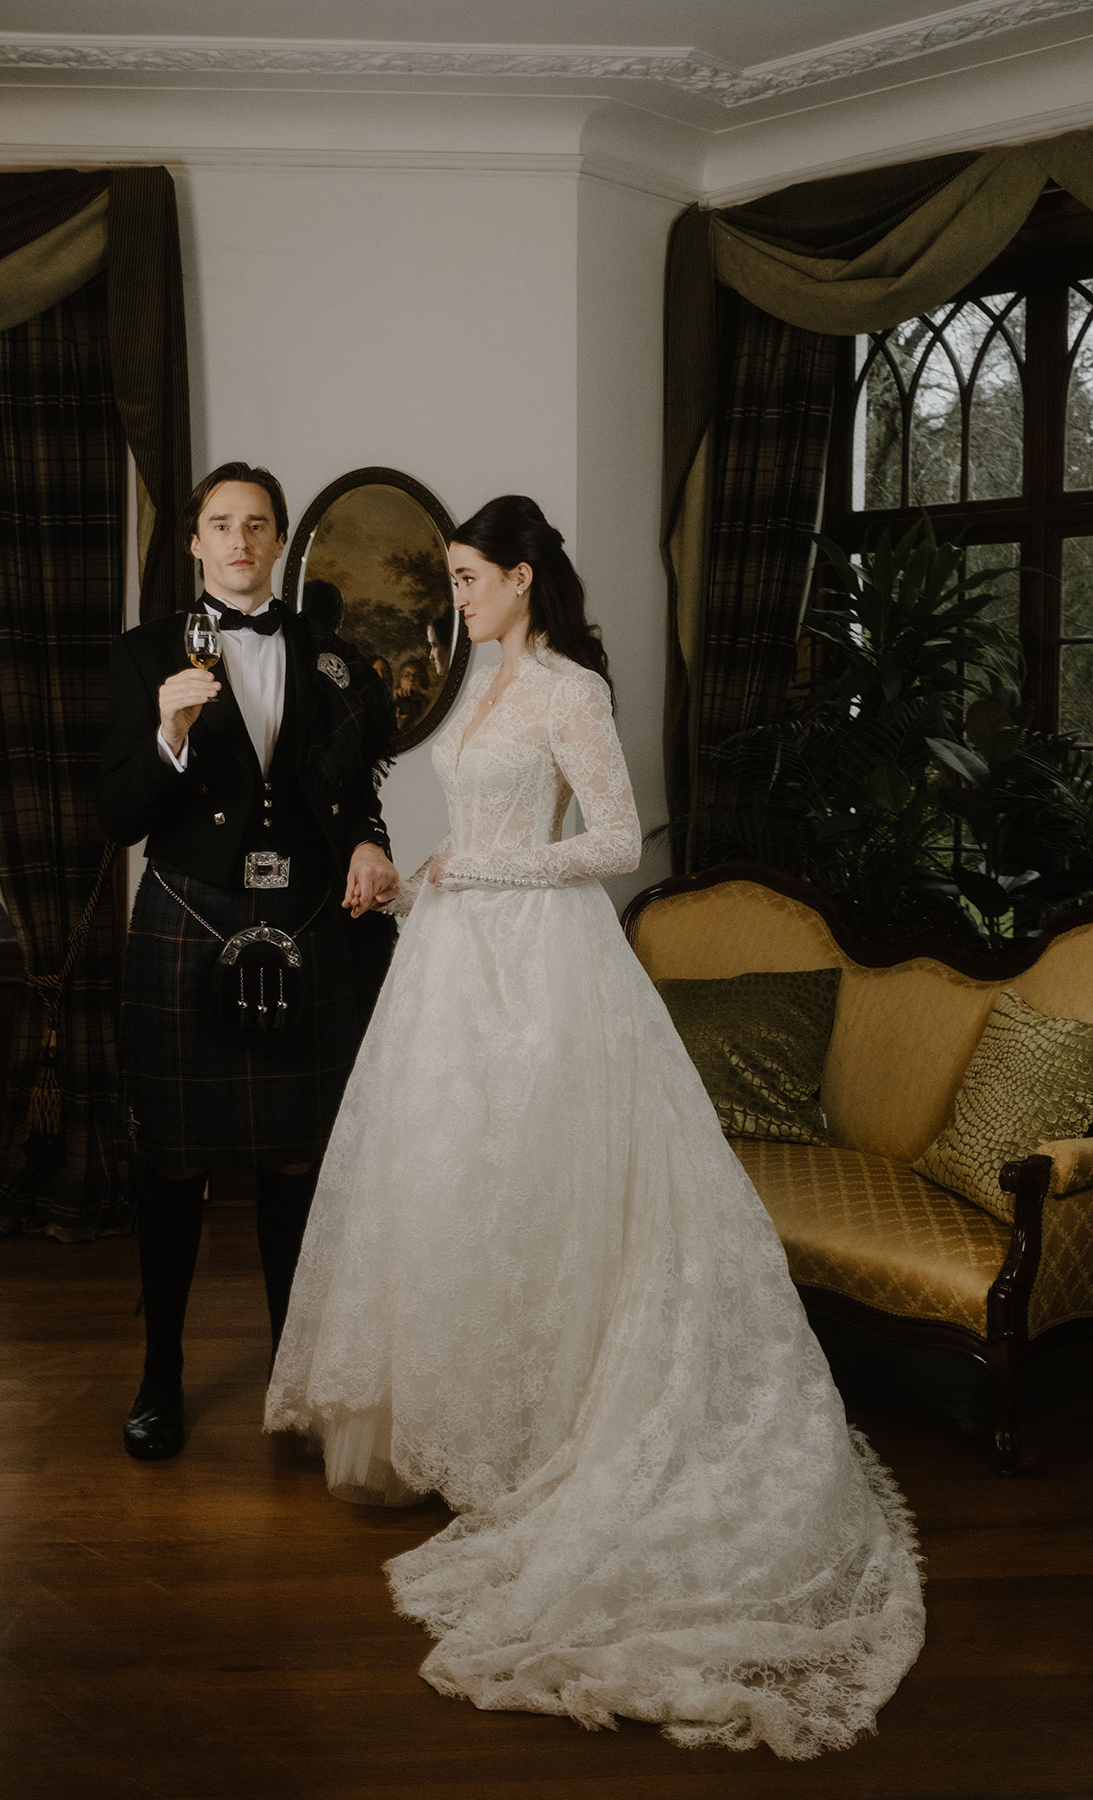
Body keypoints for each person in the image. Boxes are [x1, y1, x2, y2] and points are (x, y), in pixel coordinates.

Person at [264, 495, 924, 1759]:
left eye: (469, 579)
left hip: (549, 971)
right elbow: (471, 827)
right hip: (456, 962)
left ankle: (550, 1434)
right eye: (452, 580)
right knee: (452, 1184)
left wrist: (484, 871)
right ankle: (451, 1431)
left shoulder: (572, 688)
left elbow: (613, 841)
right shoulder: (483, 680)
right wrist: (422, 875)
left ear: (522, 578)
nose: (456, 598)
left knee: (543, 1193)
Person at [97, 461, 399, 1462]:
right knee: (173, 1157)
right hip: (187, 914)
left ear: (278, 541)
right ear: (194, 542)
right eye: (219, 524)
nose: (238, 540)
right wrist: (170, 735)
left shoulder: (329, 656)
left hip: (306, 919)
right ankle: (160, 1378)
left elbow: (352, 787)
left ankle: (293, 1374)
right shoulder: (143, 656)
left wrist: (365, 839)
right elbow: (119, 818)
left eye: (256, 524)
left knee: (294, 1161)